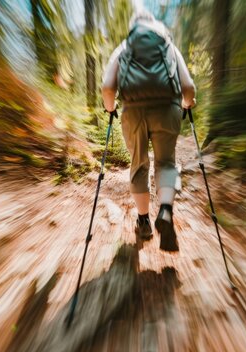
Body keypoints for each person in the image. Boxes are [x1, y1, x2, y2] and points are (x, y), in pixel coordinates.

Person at [101, 10, 196, 252]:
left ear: (133, 26)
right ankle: (165, 210)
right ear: (153, 24)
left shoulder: (125, 46)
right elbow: (188, 87)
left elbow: (107, 87)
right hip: (168, 109)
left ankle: (143, 222)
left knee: (139, 164)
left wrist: (110, 109)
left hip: (133, 112)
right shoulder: (168, 44)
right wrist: (186, 104)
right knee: (166, 163)